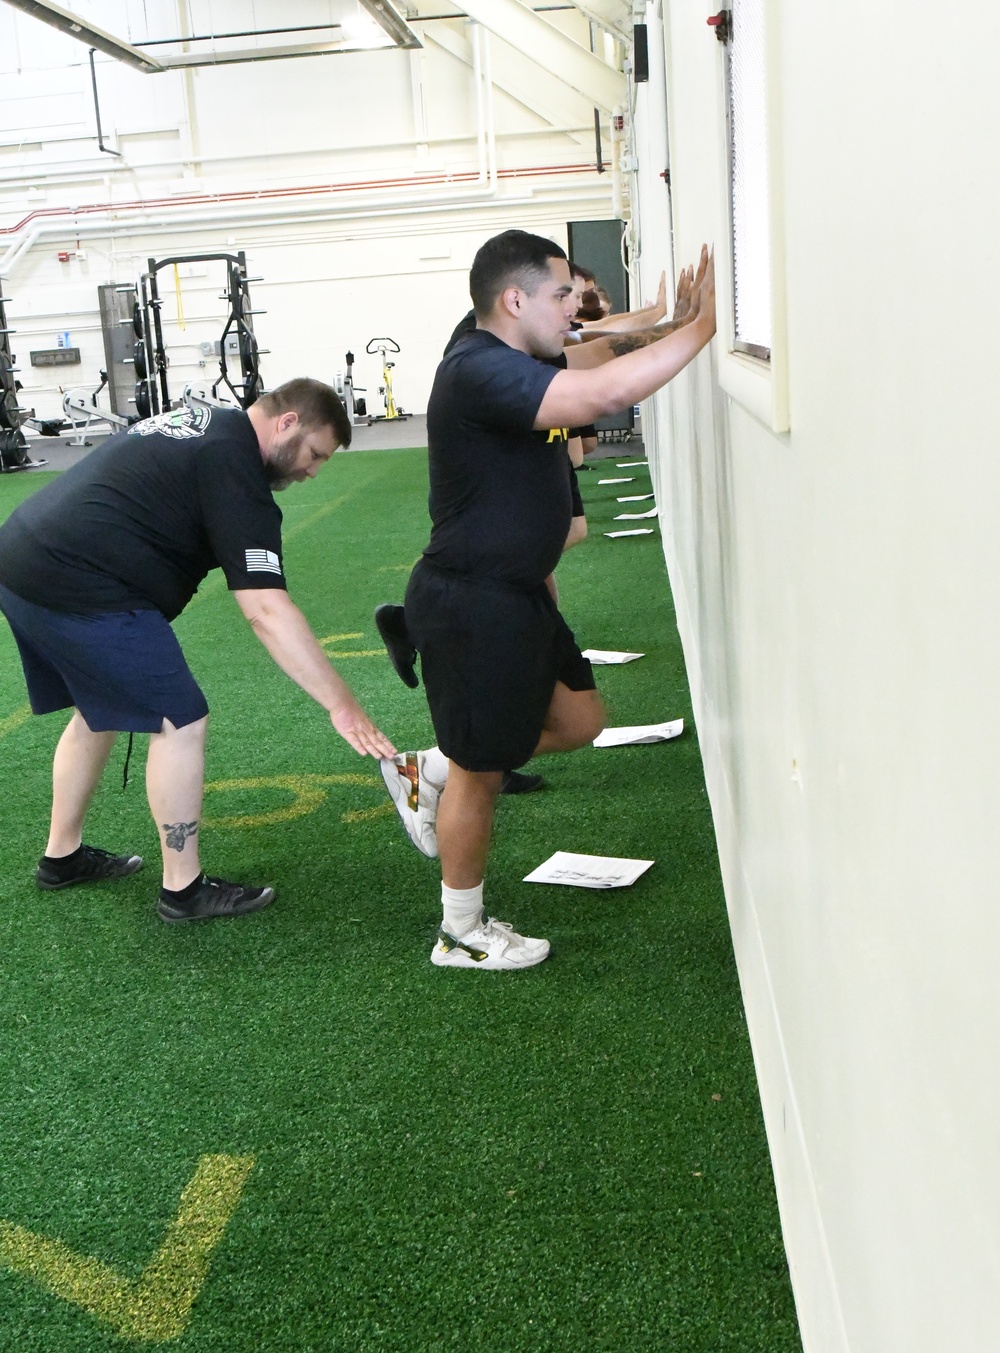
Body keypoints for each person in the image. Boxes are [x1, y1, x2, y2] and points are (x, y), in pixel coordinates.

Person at [379, 230, 715, 971]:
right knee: (481, 769)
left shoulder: (518, 354)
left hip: (516, 592)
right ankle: (460, 930)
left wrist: (663, 319)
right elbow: (606, 390)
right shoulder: (477, 369)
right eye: (562, 294)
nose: (577, 307)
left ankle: (426, 767)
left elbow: (596, 352)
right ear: (513, 299)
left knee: (579, 718)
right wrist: (702, 328)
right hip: (471, 602)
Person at [0, 379, 395, 922]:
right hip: (79, 580)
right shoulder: (234, 468)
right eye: (314, 453)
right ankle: (183, 891)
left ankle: (61, 857)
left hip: (22, 557)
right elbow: (265, 610)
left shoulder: (208, 426)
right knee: (180, 720)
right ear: (286, 423)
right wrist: (341, 704)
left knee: (99, 709)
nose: (312, 471)